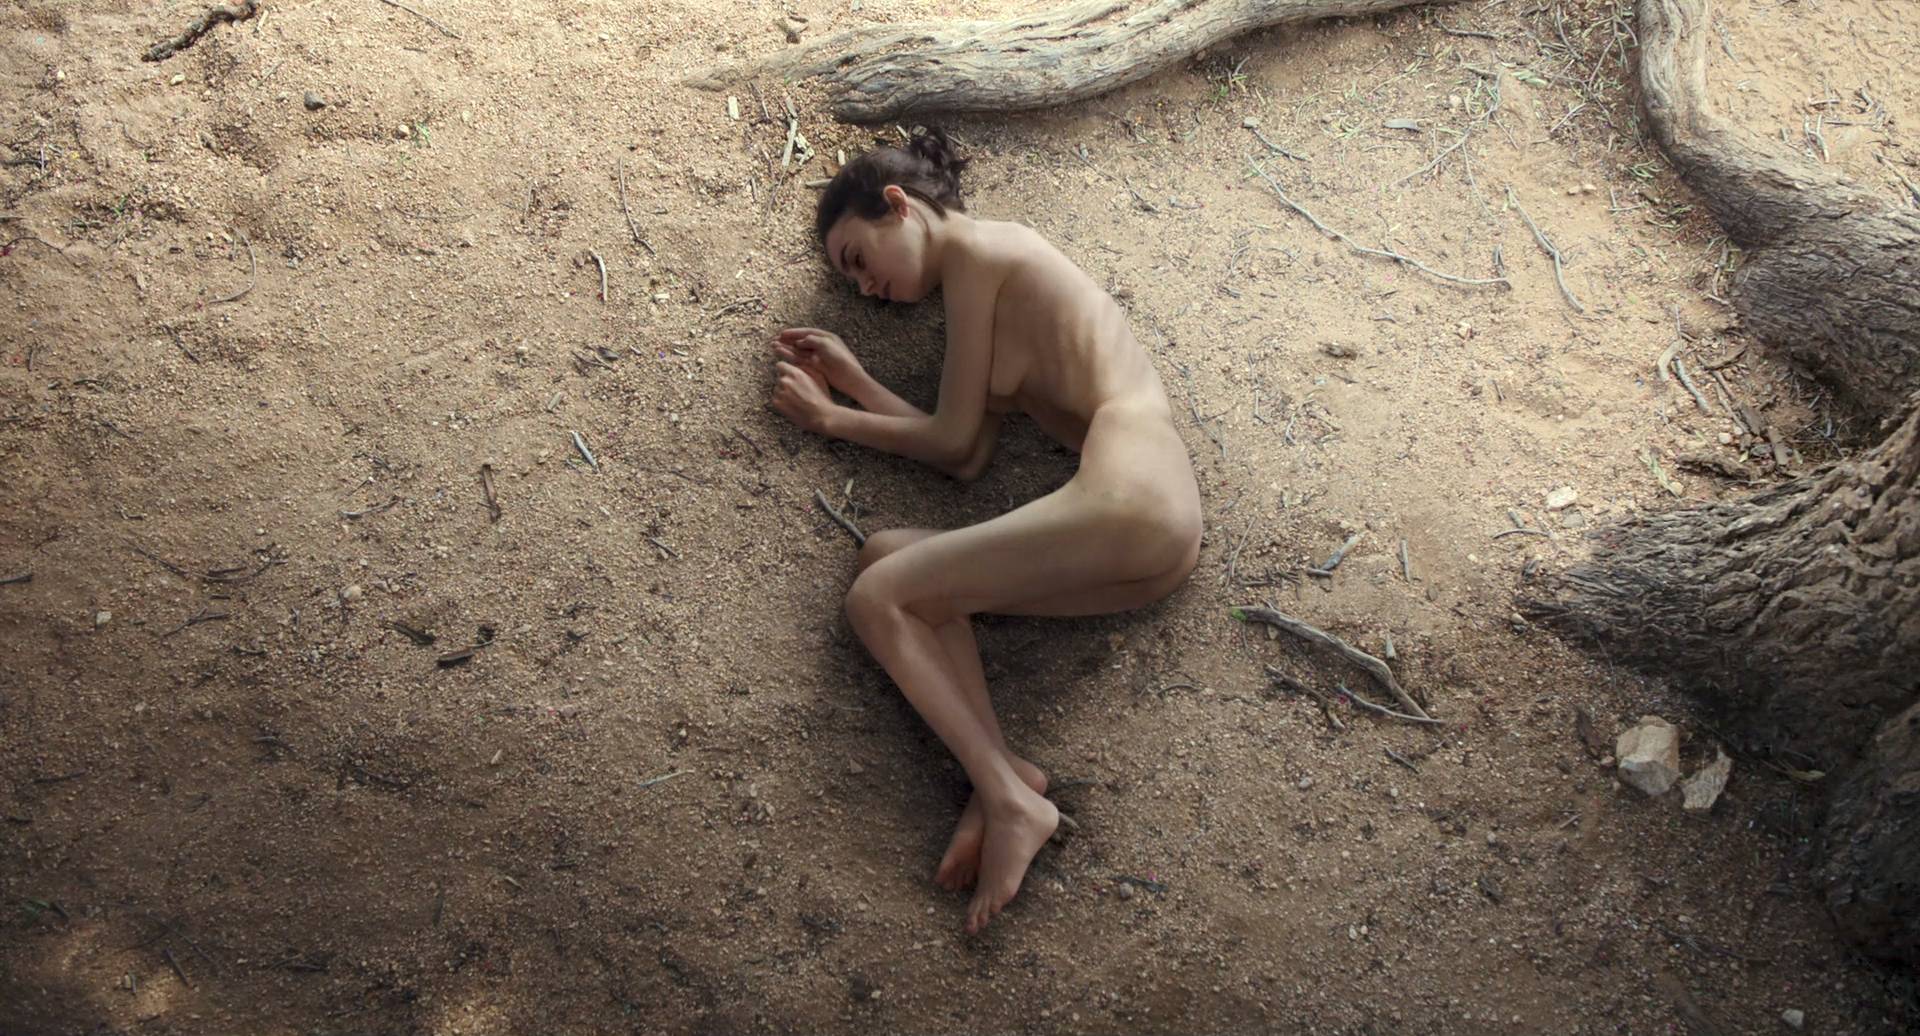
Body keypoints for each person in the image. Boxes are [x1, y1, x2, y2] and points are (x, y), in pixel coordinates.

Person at [768, 128, 1202, 934]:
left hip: (1132, 485)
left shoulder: (978, 248)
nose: (864, 287)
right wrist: (855, 381)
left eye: (859, 258)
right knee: (886, 558)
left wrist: (832, 419)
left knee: (876, 601)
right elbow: (963, 455)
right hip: (1142, 533)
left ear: (899, 205)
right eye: (850, 281)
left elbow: (952, 439)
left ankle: (1004, 798)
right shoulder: (986, 283)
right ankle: (1007, 777)